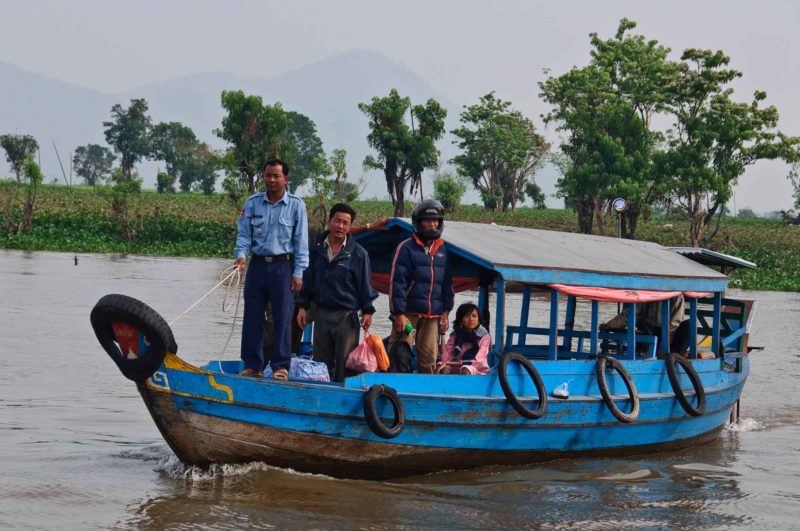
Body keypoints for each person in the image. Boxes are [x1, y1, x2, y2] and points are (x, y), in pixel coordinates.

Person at [234, 159, 309, 380]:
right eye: (268, 175)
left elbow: (301, 242)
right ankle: (252, 365)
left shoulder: (296, 205)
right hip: (257, 265)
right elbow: (244, 234)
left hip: (283, 266)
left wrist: (298, 272)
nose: (272, 180)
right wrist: (240, 257)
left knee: (283, 318)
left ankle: (280, 367)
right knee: (252, 317)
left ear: (286, 179)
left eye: (277, 176)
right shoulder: (252, 203)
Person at [296, 203, 378, 382]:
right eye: (337, 221)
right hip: (322, 313)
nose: (340, 226)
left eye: (345, 223)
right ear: (330, 221)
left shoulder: (358, 254)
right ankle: (319, 399)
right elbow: (307, 281)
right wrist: (303, 307)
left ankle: (342, 399)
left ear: (350, 227)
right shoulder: (316, 250)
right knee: (320, 364)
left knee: (344, 363)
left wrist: (367, 311)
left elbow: (365, 285)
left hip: (346, 317)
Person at [388, 199, 454, 374]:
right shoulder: (406, 248)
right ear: (419, 222)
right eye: (428, 220)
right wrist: (399, 314)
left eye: (436, 221)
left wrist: (446, 311)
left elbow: (447, 284)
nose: (433, 224)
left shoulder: (442, 250)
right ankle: (395, 389)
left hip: (433, 315)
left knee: (429, 358)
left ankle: (425, 392)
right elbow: (397, 283)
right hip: (409, 313)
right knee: (400, 352)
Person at [600, 295, 686, 354]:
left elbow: (674, 323)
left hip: (670, 335)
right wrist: (610, 325)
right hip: (650, 332)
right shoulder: (648, 295)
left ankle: (675, 357)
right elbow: (630, 313)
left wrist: (664, 346)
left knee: (687, 326)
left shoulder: (677, 297)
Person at [437, 302, 491, 375]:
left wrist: (448, 363)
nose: (471, 319)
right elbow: (445, 357)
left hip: (477, 369)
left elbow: (477, 361)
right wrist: (442, 334)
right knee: (441, 366)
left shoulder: (484, 336)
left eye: (474, 316)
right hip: (457, 366)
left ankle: (466, 386)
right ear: (461, 320)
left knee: (465, 368)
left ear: (478, 320)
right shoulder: (456, 334)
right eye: (467, 316)